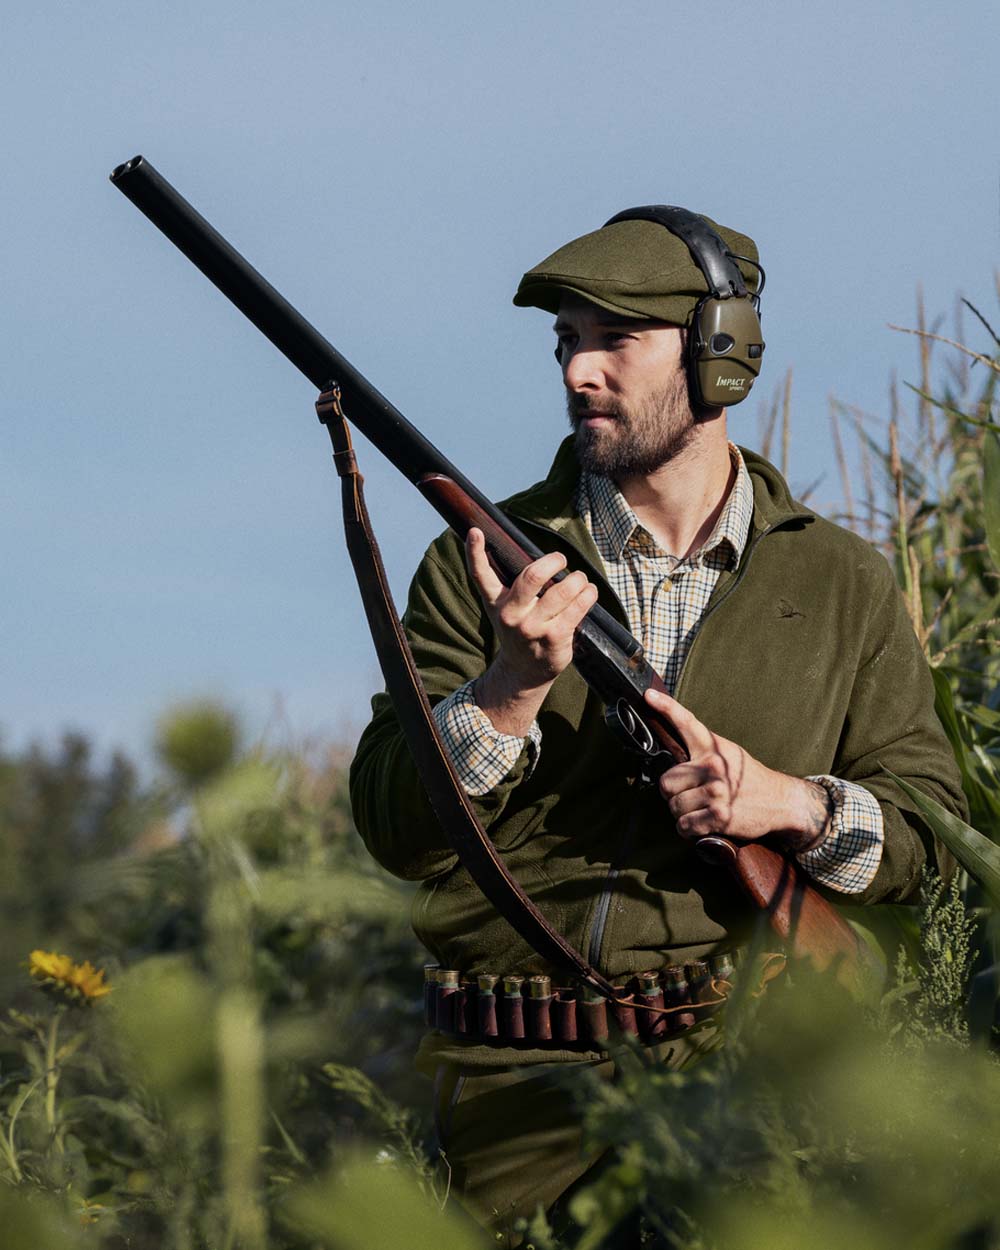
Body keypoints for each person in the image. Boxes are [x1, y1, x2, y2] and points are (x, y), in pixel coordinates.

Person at [349, 209, 966, 1242]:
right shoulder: (483, 565)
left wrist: (789, 804)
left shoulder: (841, 581)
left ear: (719, 355)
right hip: (514, 1101)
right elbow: (394, 827)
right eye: (565, 343)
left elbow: (933, 839)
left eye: (613, 340)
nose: (578, 371)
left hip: (751, 1086)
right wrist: (505, 690)